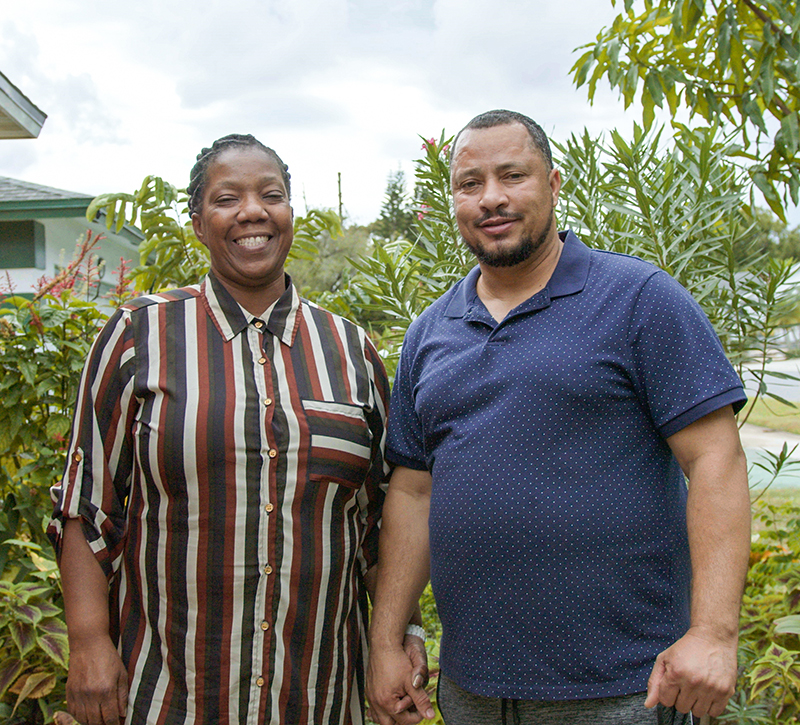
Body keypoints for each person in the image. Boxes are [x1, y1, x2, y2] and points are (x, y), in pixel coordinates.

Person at [367, 110, 750, 725]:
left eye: (512, 176)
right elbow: (412, 493)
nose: (491, 198)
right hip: (473, 691)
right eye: (470, 183)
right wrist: (388, 640)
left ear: (553, 183)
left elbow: (716, 460)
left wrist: (714, 632)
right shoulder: (430, 333)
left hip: (628, 685)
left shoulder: (638, 298)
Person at [49, 134, 425, 725]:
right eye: (227, 199)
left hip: (319, 694)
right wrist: (89, 641)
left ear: (290, 213)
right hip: (173, 695)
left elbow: (381, 524)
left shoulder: (351, 352)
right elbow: (87, 505)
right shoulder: (138, 336)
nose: (253, 211)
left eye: (271, 195)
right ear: (198, 223)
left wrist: (402, 636)